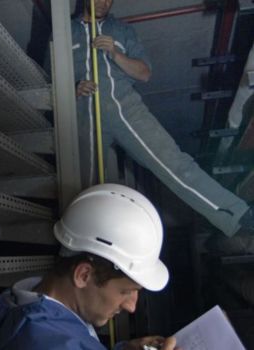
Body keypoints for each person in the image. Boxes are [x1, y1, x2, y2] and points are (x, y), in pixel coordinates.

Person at [72, 0, 253, 237]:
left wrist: (115, 54)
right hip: (84, 113)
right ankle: (78, 248)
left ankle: (238, 216)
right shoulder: (66, 33)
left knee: (175, 163)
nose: (105, 2)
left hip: (125, 109)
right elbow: (49, 77)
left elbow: (144, 73)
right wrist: (73, 87)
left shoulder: (122, 30)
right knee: (85, 186)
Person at [0, 184, 180, 350]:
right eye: (126, 291)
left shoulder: (10, 304)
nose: (132, 306)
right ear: (83, 274)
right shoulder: (42, 340)